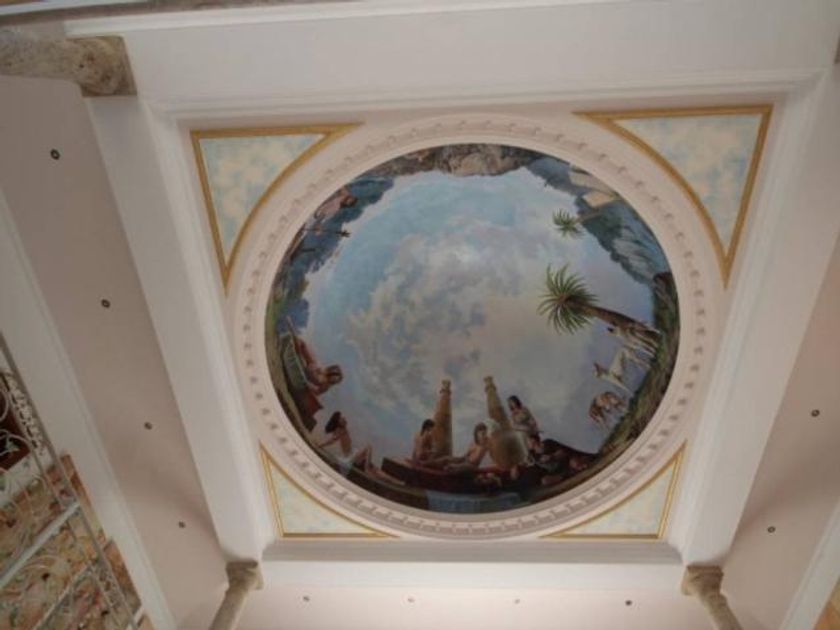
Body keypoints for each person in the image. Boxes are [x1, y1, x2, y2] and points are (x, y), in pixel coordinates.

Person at [317, 412, 402, 484]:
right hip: (351, 456)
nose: (344, 418)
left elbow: (333, 439)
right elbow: (331, 441)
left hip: (355, 455)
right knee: (368, 447)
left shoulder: (343, 430)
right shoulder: (340, 431)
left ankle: (396, 481)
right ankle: (366, 469)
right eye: (341, 418)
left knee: (376, 469)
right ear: (339, 422)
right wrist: (320, 445)